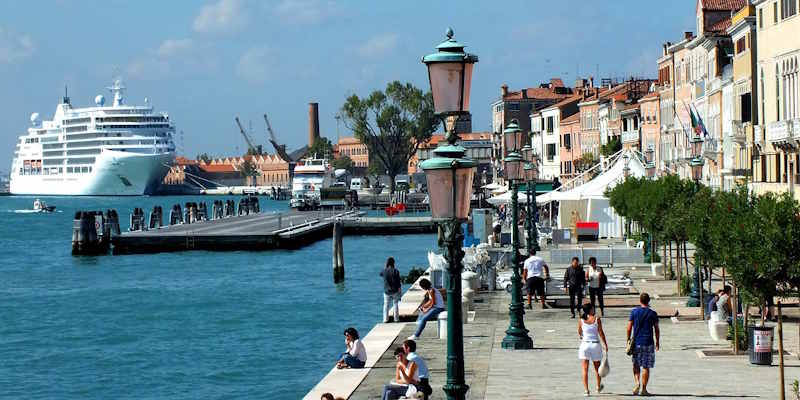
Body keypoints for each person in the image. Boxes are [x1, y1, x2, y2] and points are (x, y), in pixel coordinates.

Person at [627, 293, 660, 396]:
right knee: (646, 366)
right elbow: (656, 329)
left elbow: (629, 327)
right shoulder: (653, 313)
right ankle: (644, 389)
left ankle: (637, 383)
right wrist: (658, 341)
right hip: (648, 342)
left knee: (636, 363)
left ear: (640, 301)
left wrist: (628, 339)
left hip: (636, 342)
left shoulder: (634, 312)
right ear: (648, 301)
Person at [578, 303, 608, 397]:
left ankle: (586, 390)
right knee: (597, 368)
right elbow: (601, 332)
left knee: (584, 369)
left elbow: (579, 331)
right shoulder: (596, 319)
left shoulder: (581, 320)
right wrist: (605, 344)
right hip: (595, 344)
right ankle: (598, 387)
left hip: (585, 344)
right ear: (591, 310)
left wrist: (582, 336)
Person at [380, 257, 402, 323]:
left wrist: (385, 267)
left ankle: (385, 319)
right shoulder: (396, 271)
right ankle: (396, 319)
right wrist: (400, 291)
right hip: (395, 290)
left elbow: (380, 274)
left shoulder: (384, 271)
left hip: (386, 291)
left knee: (386, 305)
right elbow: (398, 282)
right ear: (393, 263)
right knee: (395, 304)